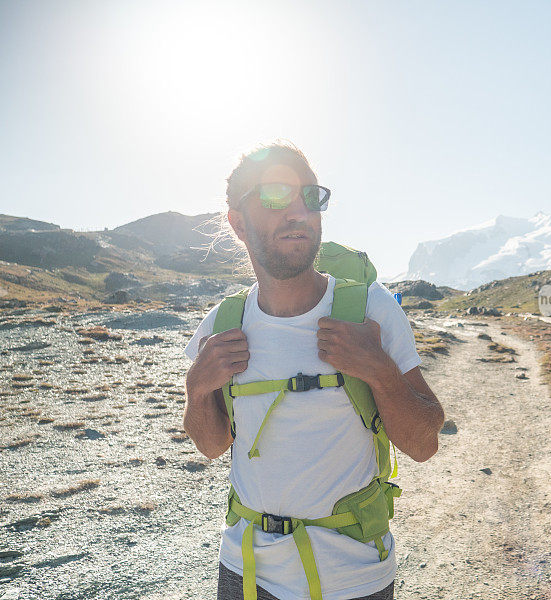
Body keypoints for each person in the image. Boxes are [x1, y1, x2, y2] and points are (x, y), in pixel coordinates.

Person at [183, 142, 444, 600]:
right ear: (238, 222)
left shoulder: (370, 310)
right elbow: (210, 446)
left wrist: (378, 369)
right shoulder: (222, 325)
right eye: (276, 196)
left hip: (353, 578)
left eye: (310, 196)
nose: (299, 212)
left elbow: (423, 444)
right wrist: (197, 387)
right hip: (244, 573)